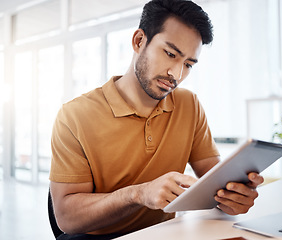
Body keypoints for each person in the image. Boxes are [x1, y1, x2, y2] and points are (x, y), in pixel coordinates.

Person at [49, 0, 264, 239]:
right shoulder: (75, 115)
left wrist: (233, 196)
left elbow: (215, 181)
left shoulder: (188, 105)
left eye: (188, 64)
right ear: (139, 41)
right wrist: (138, 194)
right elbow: (66, 219)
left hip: (163, 234)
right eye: (170, 54)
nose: (177, 74)